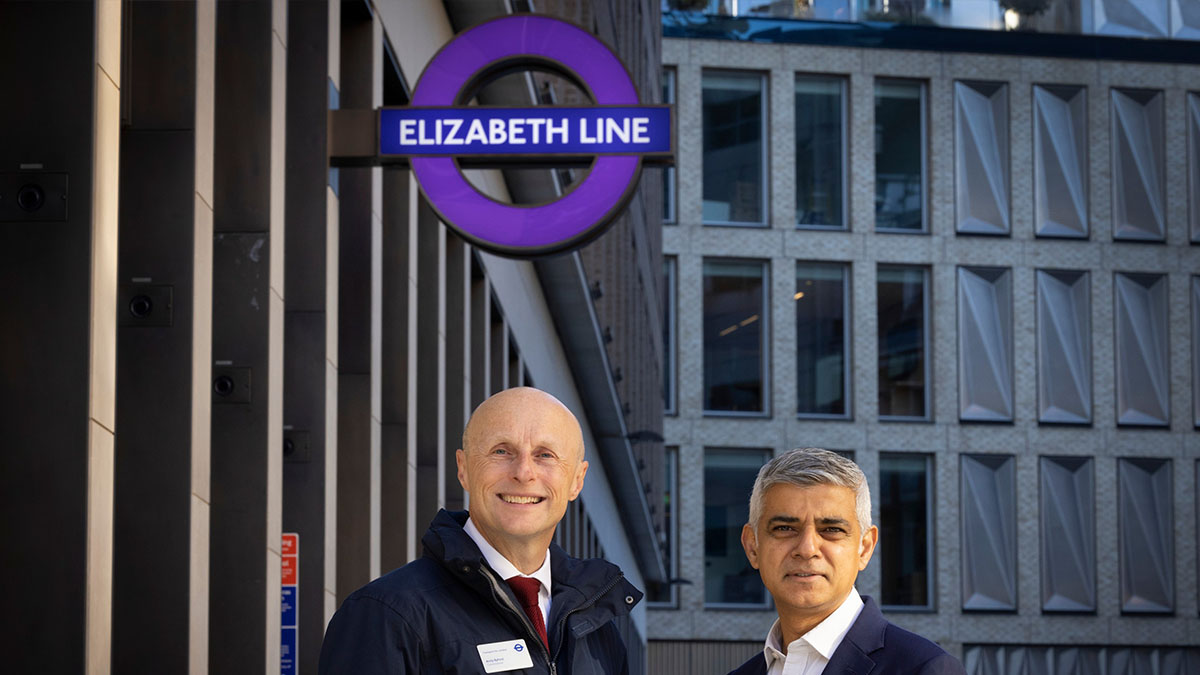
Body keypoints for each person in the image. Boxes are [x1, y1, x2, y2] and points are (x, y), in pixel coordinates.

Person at [319, 386, 641, 674]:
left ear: (576, 480)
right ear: (464, 469)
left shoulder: (598, 631)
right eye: (501, 451)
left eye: (545, 455)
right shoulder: (386, 616)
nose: (524, 472)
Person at [728, 448, 965, 675]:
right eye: (785, 528)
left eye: (831, 529)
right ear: (752, 546)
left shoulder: (925, 669)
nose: (807, 549)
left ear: (865, 548)